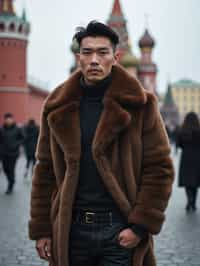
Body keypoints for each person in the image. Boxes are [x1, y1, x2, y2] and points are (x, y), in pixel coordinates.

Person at [29, 21, 174, 266]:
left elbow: (159, 169)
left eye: (102, 52)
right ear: (78, 58)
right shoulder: (57, 106)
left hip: (120, 231)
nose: (94, 60)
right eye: (87, 52)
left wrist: (139, 227)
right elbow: (45, 171)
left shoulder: (140, 105)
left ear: (116, 57)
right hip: (71, 231)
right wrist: (43, 228)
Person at [177, 112, 200, 212]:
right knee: (195, 181)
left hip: (186, 157)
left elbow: (179, 144)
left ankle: (189, 200)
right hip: (197, 157)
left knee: (187, 181)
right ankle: (193, 202)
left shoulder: (182, 130)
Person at [0, 113, 24, 194]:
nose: (8, 120)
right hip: (4, 153)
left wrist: (17, 144)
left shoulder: (17, 129)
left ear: (12, 119)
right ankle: (11, 180)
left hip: (13, 153)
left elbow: (23, 137)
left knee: (11, 169)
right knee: (5, 169)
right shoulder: (1, 129)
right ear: (5, 120)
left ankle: (10, 185)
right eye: (7, 119)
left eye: (10, 119)